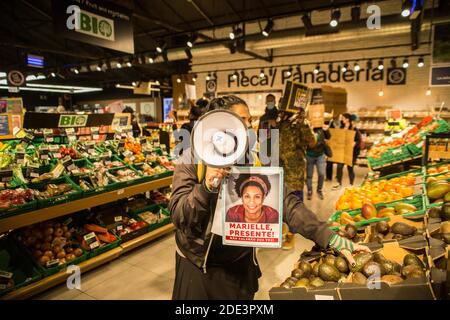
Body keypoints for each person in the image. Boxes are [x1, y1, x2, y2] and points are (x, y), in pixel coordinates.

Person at [169, 95, 369, 300]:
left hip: (239, 266)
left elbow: (288, 204)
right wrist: (206, 187)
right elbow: (180, 216)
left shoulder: (254, 160)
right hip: (199, 267)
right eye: (241, 121)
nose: (248, 127)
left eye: (249, 121)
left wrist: (330, 238)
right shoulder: (193, 159)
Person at [332, 113, 362, 190]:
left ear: (347, 119)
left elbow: (359, 139)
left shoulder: (354, 128)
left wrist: (355, 143)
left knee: (350, 167)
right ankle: (339, 183)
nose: (342, 119)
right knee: (339, 167)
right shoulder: (341, 127)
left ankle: (351, 184)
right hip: (342, 150)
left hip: (351, 152)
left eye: (343, 118)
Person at [306, 124, 331, 200]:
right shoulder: (307, 127)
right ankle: (309, 191)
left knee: (321, 173)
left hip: (320, 155)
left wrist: (326, 130)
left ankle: (319, 190)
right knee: (309, 175)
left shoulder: (322, 128)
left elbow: (328, 137)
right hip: (309, 155)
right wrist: (309, 130)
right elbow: (303, 139)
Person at [257, 94, 279, 158]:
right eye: (268, 100)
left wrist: (276, 126)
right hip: (265, 151)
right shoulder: (263, 118)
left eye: (271, 100)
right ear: (266, 102)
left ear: (275, 102)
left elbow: (287, 133)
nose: (270, 102)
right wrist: (260, 137)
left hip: (279, 151)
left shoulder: (280, 115)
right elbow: (259, 135)